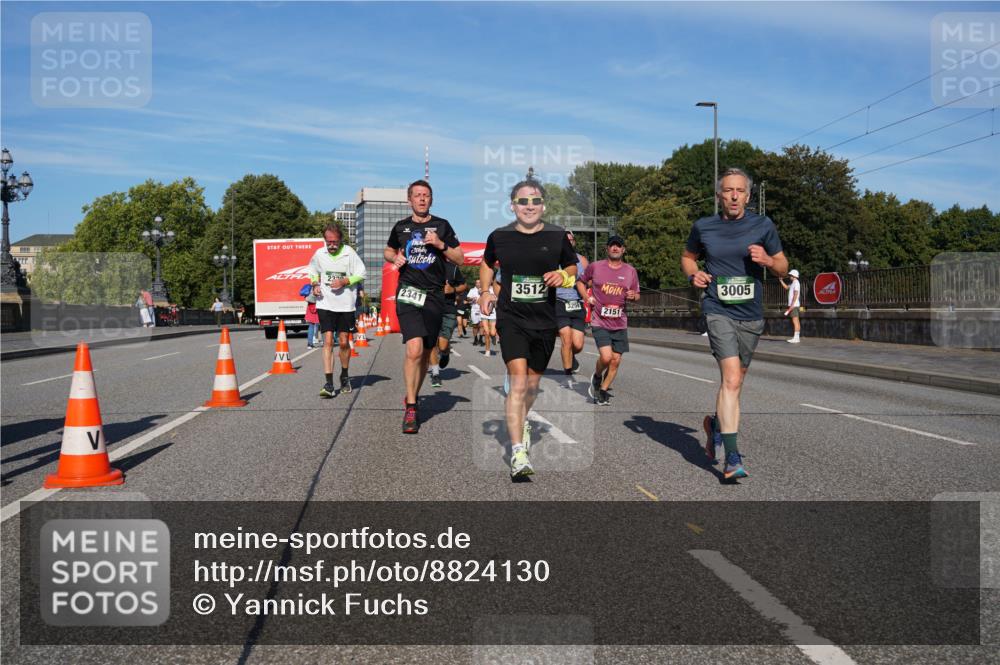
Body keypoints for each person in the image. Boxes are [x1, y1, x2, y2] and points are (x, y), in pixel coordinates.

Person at [681, 167, 788, 481]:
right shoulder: (704, 227)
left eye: (740, 190)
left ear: (748, 195)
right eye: (728, 190)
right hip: (717, 309)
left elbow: (783, 266)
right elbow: (688, 257)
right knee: (730, 379)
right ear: (719, 195)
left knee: (736, 382)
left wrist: (768, 261)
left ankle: (715, 424)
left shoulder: (762, 225)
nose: (733, 196)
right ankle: (732, 457)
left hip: (751, 315)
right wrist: (694, 274)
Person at [479, 180, 576, 479]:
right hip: (512, 319)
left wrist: (562, 275)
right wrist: (485, 291)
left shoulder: (557, 236)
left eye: (535, 201)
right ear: (513, 205)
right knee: (518, 382)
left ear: (543, 205)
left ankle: (523, 422)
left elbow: (573, 268)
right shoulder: (500, 237)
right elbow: (486, 264)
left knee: (531, 387)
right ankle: (518, 452)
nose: (529, 206)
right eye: (523, 201)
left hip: (545, 321)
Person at [384, 179, 464, 433]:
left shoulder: (442, 225)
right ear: (409, 200)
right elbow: (388, 250)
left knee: (425, 353)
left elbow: (459, 257)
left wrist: (440, 245)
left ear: (431, 199)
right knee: (414, 349)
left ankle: (414, 396)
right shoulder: (401, 227)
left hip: (434, 297)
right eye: (417, 195)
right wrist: (394, 256)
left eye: (426, 195)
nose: (421, 199)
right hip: (408, 292)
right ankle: (410, 406)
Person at [580, 235, 640, 406]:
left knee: (616, 360)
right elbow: (580, 282)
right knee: (606, 358)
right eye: (612, 246)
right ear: (607, 249)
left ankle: (603, 390)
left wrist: (633, 296)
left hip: (620, 323)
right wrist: (586, 297)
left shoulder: (630, 271)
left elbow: (637, 294)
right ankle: (597, 376)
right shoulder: (595, 267)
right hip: (600, 321)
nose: (615, 248)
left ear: (623, 250)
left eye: (618, 246)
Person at [309, 224, 366, 397]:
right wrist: (315, 284)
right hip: (325, 303)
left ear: (340, 240)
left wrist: (344, 281)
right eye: (328, 242)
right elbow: (312, 270)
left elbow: (361, 273)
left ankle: (345, 375)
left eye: (334, 242)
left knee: (343, 342)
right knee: (327, 341)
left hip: (345, 305)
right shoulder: (320, 254)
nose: (331, 245)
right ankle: (328, 383)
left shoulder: (349, 253)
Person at [555, 231, 589, 385]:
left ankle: (571, 357)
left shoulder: (582, 260)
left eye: (571, 240)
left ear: (574, 242)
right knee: (566, 340)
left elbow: (589, 282)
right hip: (559, 302)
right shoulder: (553, 259)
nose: (568, 242)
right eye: (565, 240)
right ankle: (567, 375)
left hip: (577, 303)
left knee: (578, 344)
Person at [429, 263, 467, 388]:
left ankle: (445, 353)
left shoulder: (452, 268)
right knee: (432, 343)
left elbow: (464, 285)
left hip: (448, 310)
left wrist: (454, 289)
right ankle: (435, 374)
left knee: (443, 345)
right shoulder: (424, 265)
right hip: (430, 309)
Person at [780, 269, 802, 343]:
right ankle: (797, 337)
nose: (789, 276)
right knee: (797, 321)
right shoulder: (793, 283)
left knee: (795, 321)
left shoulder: (796, 283)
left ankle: (796, 338)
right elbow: (786, 287)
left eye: (790, 275)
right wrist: (781, 280)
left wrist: (792, 304)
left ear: (794, 276)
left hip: (794, 305)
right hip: (795, 305)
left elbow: (796, 294)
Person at [468, 280, 483, 346]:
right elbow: (468, 298)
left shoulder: (484, 290)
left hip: (482, 309)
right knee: (475, 325)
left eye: (479, 282)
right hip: (474, 309)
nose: (478, 284)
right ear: (475, 284)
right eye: (477, 282)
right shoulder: (472, 290)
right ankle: (475, 339)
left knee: (481, 325)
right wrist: (471, 299)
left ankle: (481, 339)